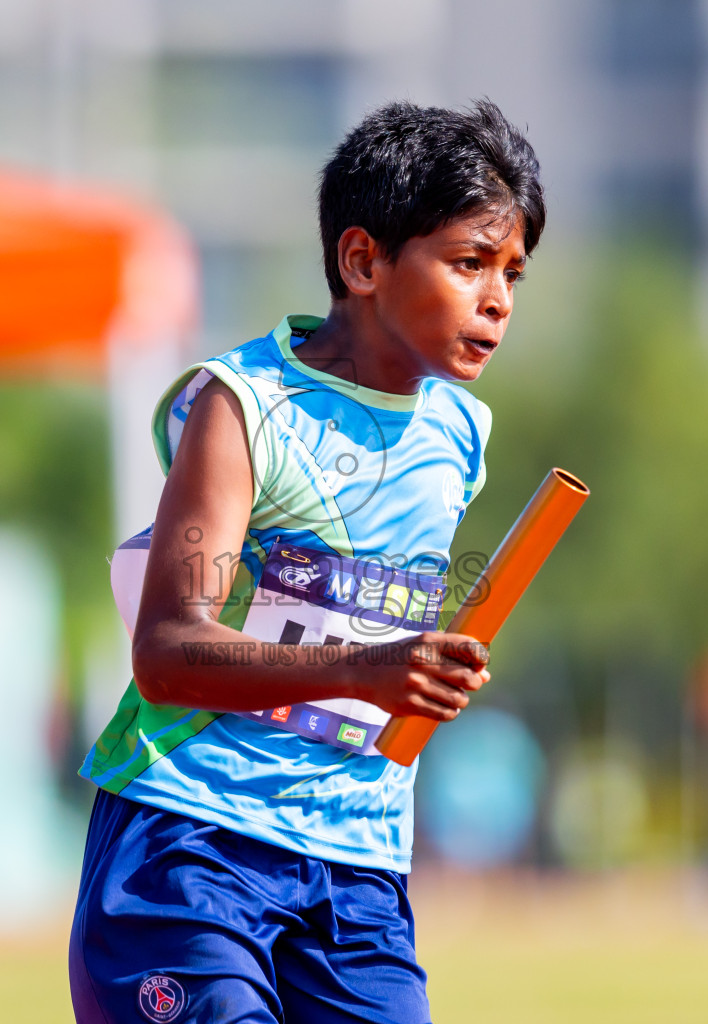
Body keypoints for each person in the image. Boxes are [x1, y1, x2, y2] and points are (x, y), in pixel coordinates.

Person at [71, 99, 545, 1024]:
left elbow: (376, 617)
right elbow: (167, 651)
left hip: (359, 870)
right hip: (193, 844)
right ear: (363, 261)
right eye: (468, 263)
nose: (498, 300)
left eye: (514, 273)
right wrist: (367, 671)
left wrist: (422, 667)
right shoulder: (241, 409)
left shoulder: (462, 432)